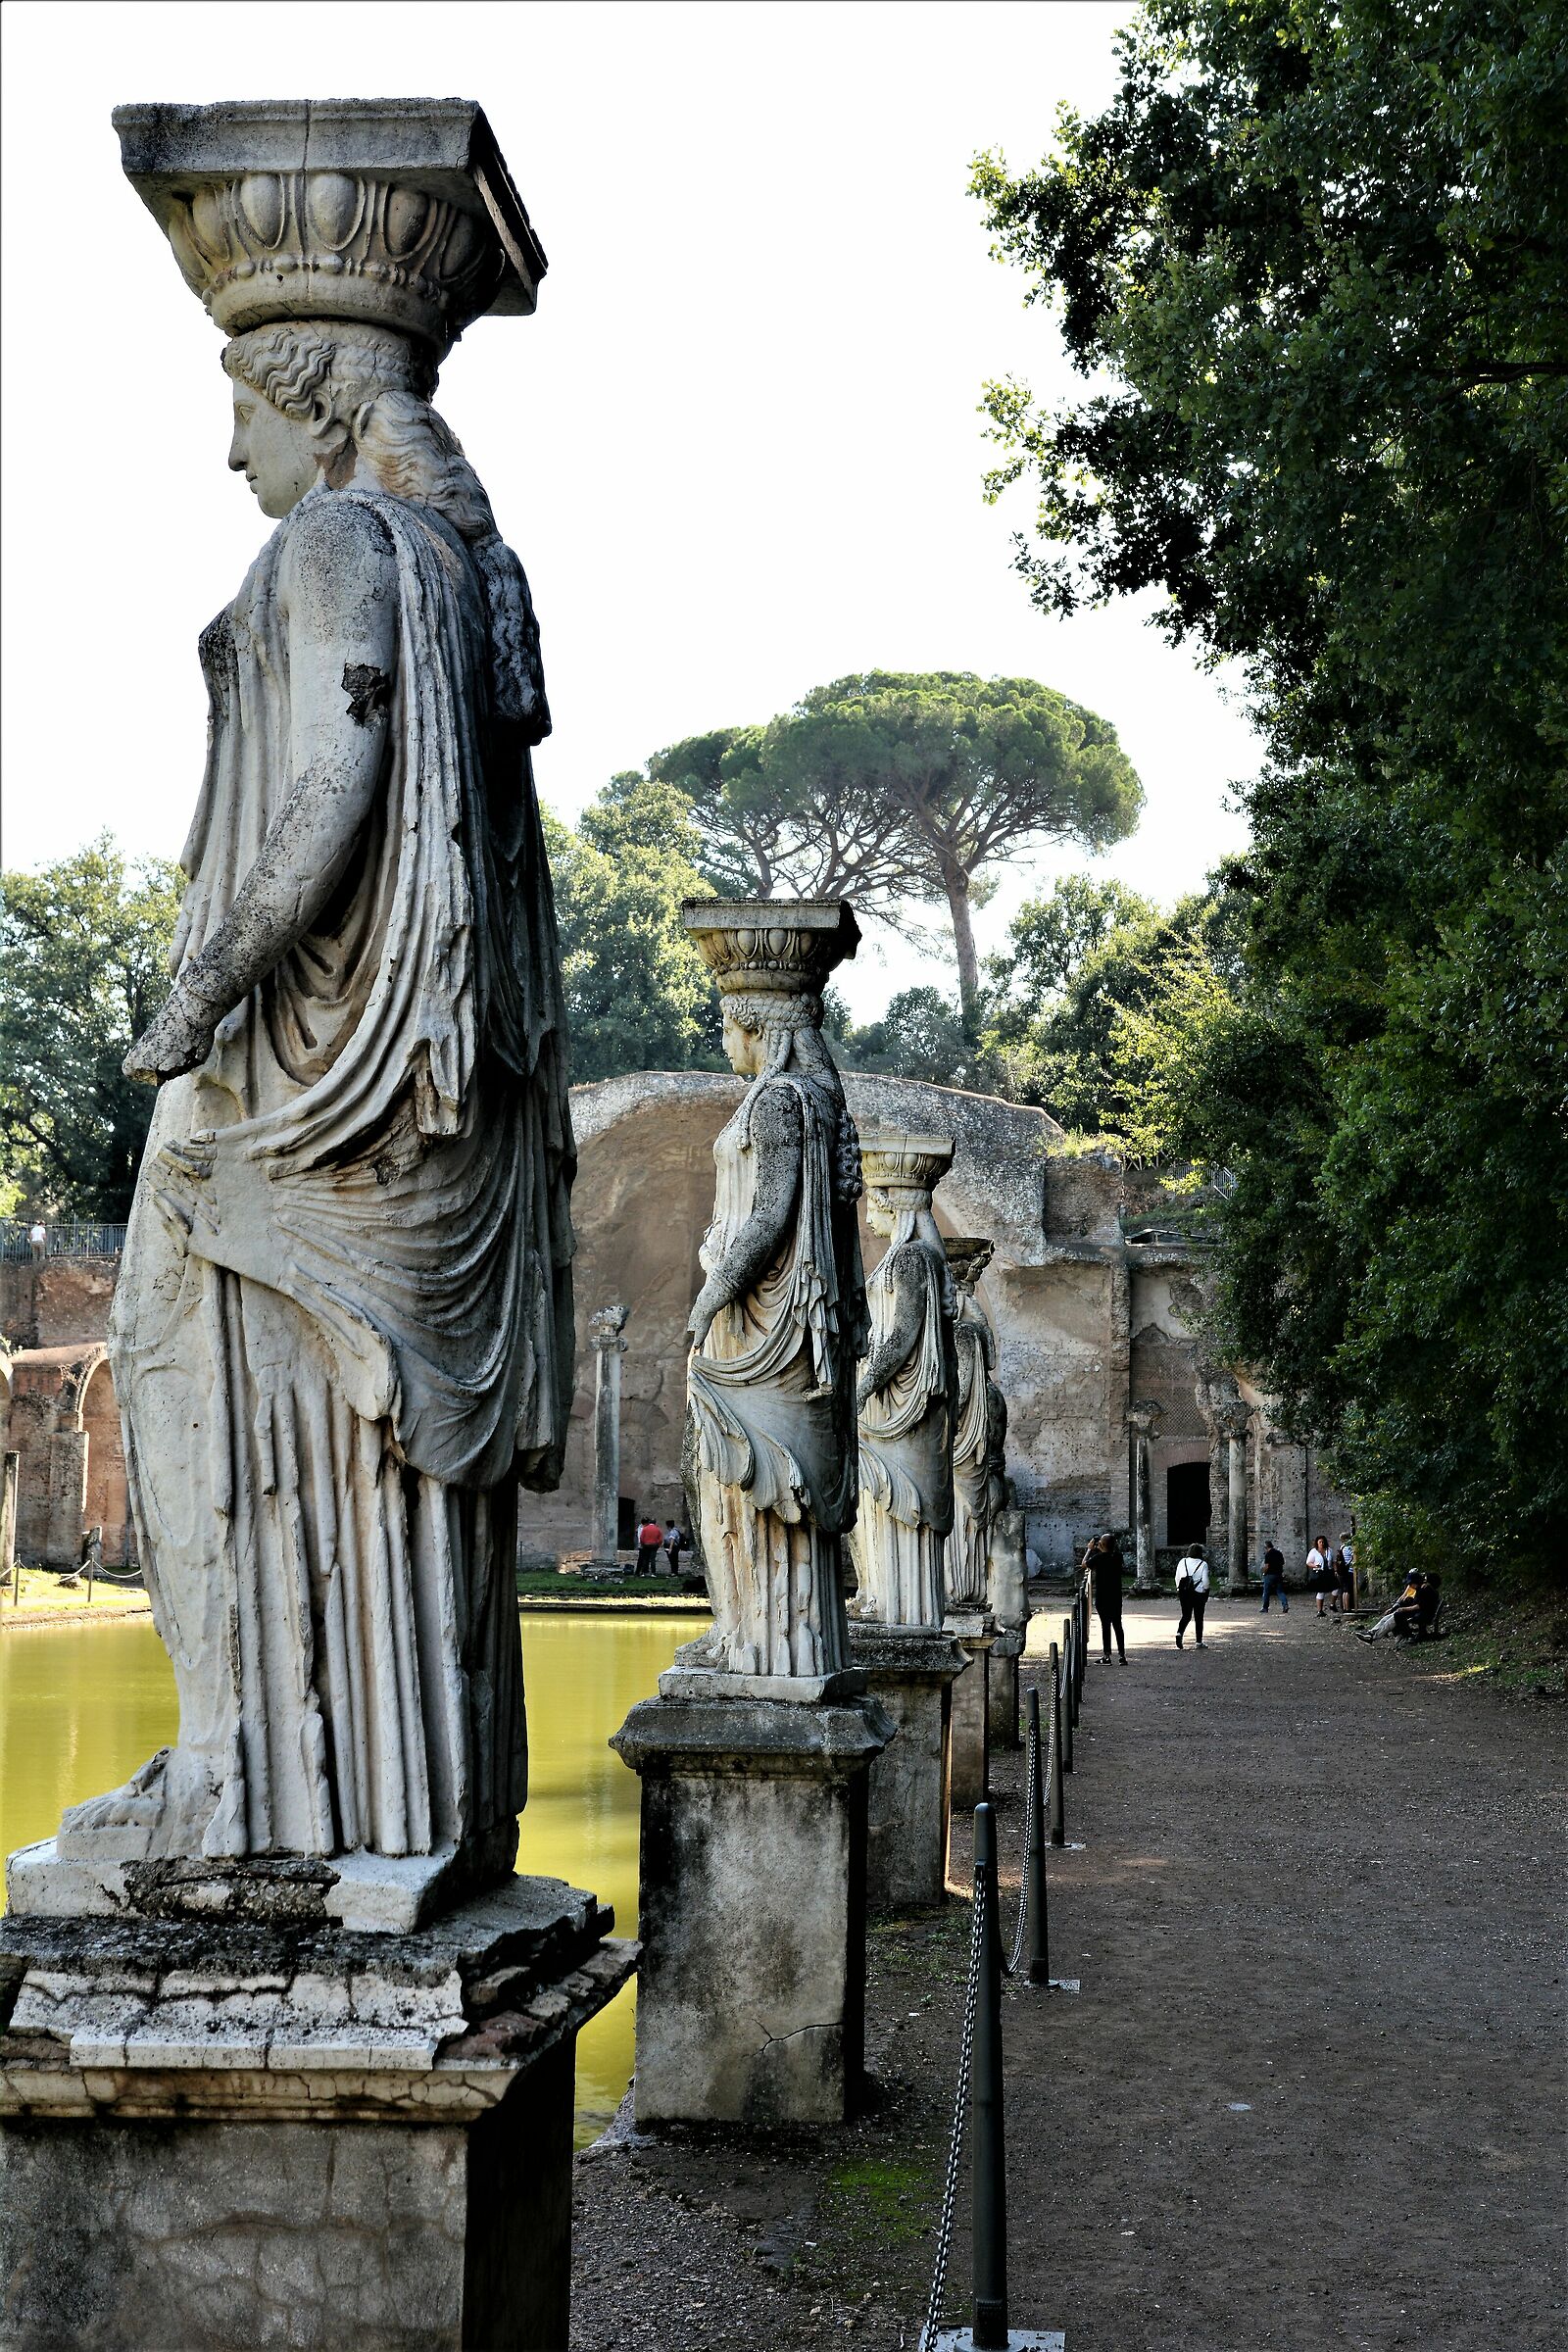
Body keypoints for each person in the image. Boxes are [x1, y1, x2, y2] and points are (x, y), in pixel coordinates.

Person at [1094, 1532, 1127, 1663]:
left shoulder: (1098, 1558)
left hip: (1102, 1597)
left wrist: (1090, 1550)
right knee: (1118, 1625)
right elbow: (1109, 1554)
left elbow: (1084, 1564)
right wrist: (1103, 1547)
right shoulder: (1118, 1557)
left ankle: (1107, 1655)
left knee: (1105, 1626)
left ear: (1101, 1544)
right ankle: (1122, 1656)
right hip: (1116, 1596)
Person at [1175, 1543, 1209, 1648]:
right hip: (1198, 1592)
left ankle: (1179, 1633)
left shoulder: (1182, 1562)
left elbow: (1177, 1577)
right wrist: (1206, 1590)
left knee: (1186, 1615)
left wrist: (1179, 1589)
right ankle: (1199, 1642)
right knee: (1199, 1617)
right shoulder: (1203, 1564)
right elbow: (1205, 1581)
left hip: (1184, 1592)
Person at [1260, 1539, 1288, 1614]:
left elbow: (1267, 1566)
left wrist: (1264, 1573)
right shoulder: (1279, 1553)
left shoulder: (1268, 1554)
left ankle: (1265, 1608)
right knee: (1280, 1591)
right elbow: (1282, 1563)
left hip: (1269, 1575)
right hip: (1278, 1574)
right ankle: (1285, 1604)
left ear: (1266, 1547)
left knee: (1266, 1592)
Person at [1307, 1535, 1333, 1616]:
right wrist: (1315, 1565)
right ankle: (1320, 1610)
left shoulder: (1329, 1550)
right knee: (1321, 1591)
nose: (1322, 1543)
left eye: (1323, 1542)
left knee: (1335, 1589)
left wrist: (1335, 1570)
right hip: (1319, 1572)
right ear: (1317, 1543)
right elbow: (1308, 1562)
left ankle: (1332, 1604)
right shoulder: (1313, 1551)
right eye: (1320, 1542)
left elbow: (1333, 1561)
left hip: (1328, 1572)